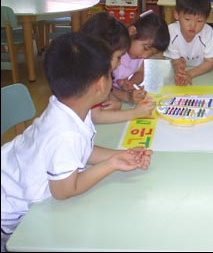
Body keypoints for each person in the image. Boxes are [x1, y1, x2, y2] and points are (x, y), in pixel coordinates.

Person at [0, 32, 153, 251]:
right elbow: (64, 191)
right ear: (101, 85)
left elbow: (83, 150)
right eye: (110, 74)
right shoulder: (64, 134)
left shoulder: (67, 107)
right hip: (8, 214)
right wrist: (111, 165)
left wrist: (119, 155)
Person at [80, 12, 155, 123]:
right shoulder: (90, 77)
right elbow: (96, 116)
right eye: (119, 57)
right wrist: (136, 113)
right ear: (102, 53)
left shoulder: (100, 72)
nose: (120, 63)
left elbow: (107, 99)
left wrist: (118, 102)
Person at [112, 10, 170, 104]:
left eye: (150, 54)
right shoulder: (114, 51)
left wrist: (131, 83)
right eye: (145, 48)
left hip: (119, 95)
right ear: (132, 31)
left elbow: (140, 72)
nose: (145, 55)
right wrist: (126, 96)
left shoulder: (139, 55)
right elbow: (101, 85)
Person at [164, 0, 213, 86]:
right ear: (176, 15)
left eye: (200, 21)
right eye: (187, 19)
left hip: (201, 73)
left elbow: (209, 62)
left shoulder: (208, 32)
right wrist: (179, 71)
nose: (193, 25)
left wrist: (190, 73)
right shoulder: (171, 32)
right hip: (178, 72)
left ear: (206, 19)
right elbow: (175, 60)